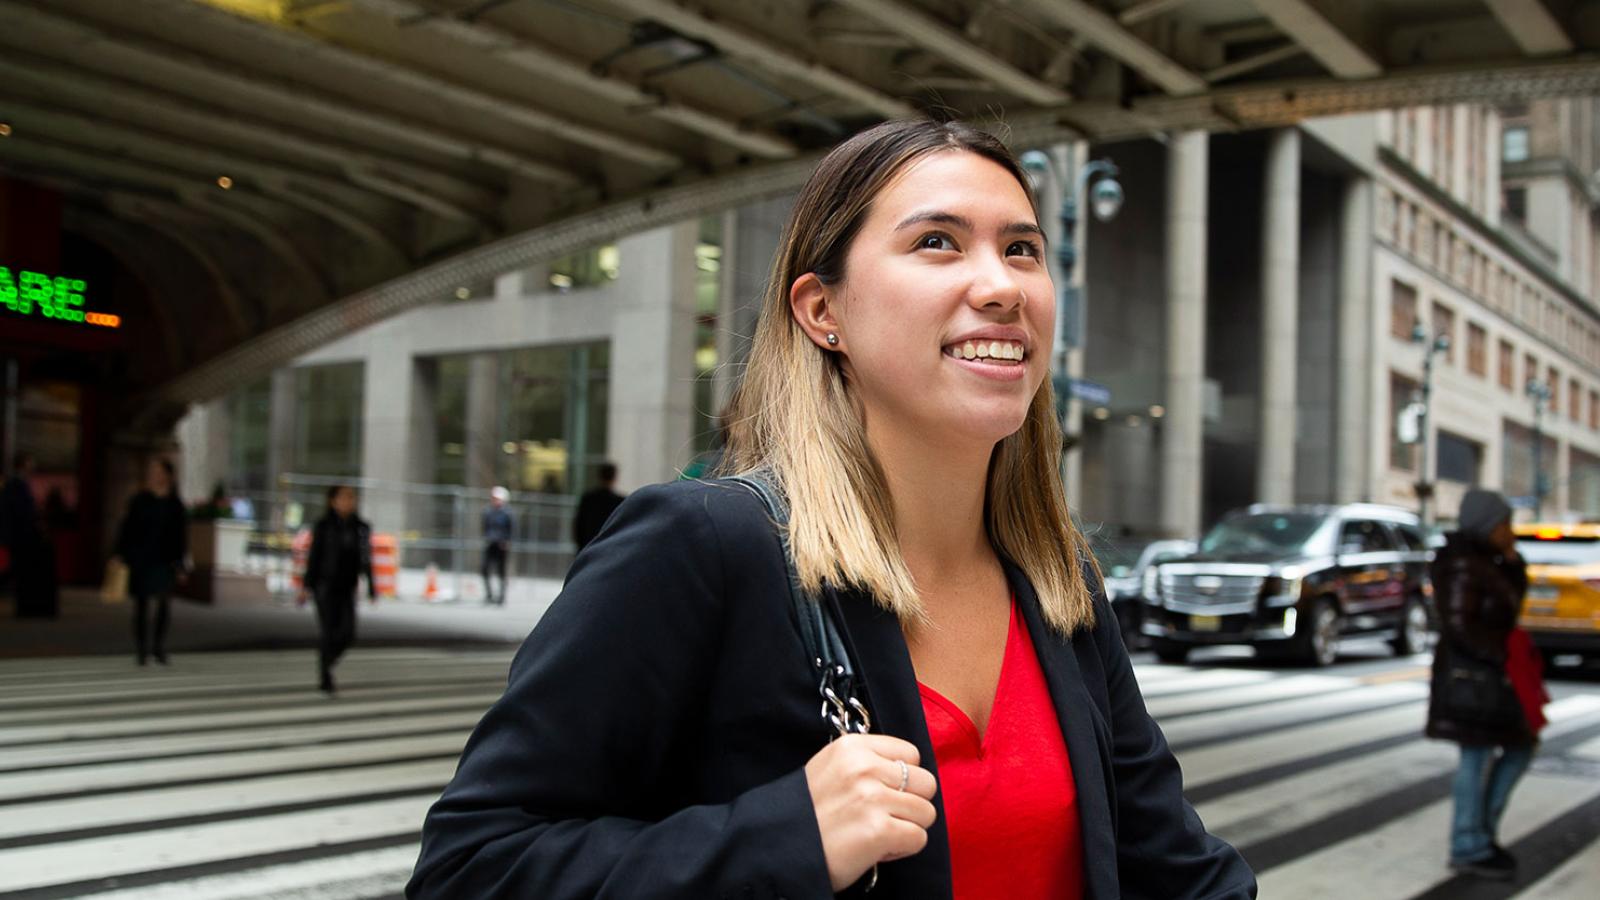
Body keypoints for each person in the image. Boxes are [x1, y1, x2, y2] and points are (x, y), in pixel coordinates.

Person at [408, 119, 1255, 899]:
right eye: (937, 242)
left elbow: (1177, 871)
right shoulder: (704, 547)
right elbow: (471, 866)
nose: (1002, 286)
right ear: (822, 312)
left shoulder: (1058, 583)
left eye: (1024, 249)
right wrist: (785, 836)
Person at [1426, 489, 1540, 880]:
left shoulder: (1487, 561)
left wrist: (1511, 562)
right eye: (1505, 524)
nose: (1511, 531)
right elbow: (1459, 625)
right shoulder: (1464, 564)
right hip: (1472, 680)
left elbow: (1511, 604)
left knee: (1511, 749)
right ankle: (1470, 843)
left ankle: (1478, 837)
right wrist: (1501, 658)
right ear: (1488, 525)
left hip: (1485, 676)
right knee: (1478, 758)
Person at [301, 484, 375, 695]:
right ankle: (325, 675)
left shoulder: (360, 527)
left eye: (351, 498)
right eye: (343, 498)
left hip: (347, 586)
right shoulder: (324, 526)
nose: (348, 502)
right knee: (328, 631)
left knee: (348, 632)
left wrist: (371, 586)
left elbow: (366, 559)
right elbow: (314, 556)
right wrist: (306, 584)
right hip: (325, 585)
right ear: (333, 501)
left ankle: (327, 663)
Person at [114, 459, 188, 664]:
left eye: (158, 471)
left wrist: (181, 564)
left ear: (168, 475)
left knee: (163, 602)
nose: (154, 475)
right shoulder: (140, 500)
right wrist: (120, 554)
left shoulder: (175, 505)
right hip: (141, 558)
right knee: (141, 604)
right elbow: (127, 527)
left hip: (165, 559)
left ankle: (158, 646)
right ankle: (141, 649)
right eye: (152, 471)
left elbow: (180, 537)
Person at [1, 452, 53, 617]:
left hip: (19, 535)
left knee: (15, 569)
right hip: (19, 536)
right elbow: (17, 512)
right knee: (14, 568)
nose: (32, 467)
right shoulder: (16, 485)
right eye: (30, 464)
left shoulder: (18, 484)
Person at [570, 462, 625, 552]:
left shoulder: (588, 499)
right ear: (615, 478)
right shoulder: (620, 501)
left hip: (589, 546)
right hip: (610, 548)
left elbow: (579, 526)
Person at [481, 486, 513, 605]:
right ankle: (489, 595)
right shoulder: (488, 512)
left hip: (501, 544)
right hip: (491, 543)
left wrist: (507, 541)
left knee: (501, 571)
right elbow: (485, 527)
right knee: (485, 569)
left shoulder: (507, 513)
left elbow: (511, 529)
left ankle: (502, 596)